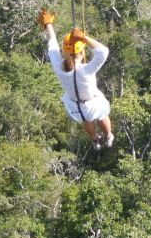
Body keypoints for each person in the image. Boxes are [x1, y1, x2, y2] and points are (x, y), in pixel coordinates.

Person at [39, 9, 114, 149]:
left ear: (65, 51)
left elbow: (52, 45)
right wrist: (84, 38)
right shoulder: (85, 70)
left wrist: (48, 24)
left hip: (76, 104)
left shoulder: (59, 67)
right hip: (92, 101)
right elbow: (103, 52)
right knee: (102, 115)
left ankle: (94, 139)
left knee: (86, 119)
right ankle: (108, 135)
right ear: (81, 52)